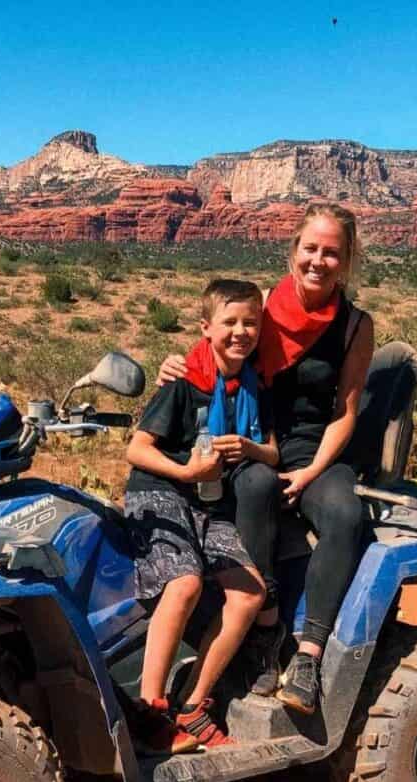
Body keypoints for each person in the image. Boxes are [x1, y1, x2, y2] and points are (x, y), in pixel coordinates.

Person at [157, 204, 374, 715]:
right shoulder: (264, 310)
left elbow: (345, 410)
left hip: (316, 449)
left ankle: (309, 654)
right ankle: (267, 627)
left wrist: (312, 472)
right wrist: (176, 364)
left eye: (331, 253)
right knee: (254, 486)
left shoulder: (354, 326)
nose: (318, 261)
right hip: (252, 439)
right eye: (310, 248)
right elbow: (217, 349)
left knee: (345, 514)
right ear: (293, 250)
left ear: (346, 261)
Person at [125, 279, 277, 754]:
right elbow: (137, 448)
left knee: (250, 594)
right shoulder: (183, 381)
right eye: (229, 322)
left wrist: (249, 448)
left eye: (250, 322)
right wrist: (187, 470)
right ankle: (151, 711)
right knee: (185, 583)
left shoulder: (252, 385)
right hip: (161, 490)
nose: (240, 332)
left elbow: (271, 452)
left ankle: (192, 704)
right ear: (206, 327)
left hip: (208, 501)